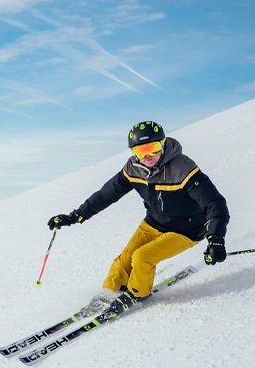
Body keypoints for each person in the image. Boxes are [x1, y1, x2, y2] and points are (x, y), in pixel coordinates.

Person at [47, 120, 229, 305]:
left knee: (142, 257)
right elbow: (106, 195)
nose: (148, 156)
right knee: (122, 263)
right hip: (153, 223)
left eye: (153, 148)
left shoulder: (183, 168)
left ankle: (137, 294)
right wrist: (76, 216)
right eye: (141, 151)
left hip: (186, 230)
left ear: (163, 144)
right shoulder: (133, 169)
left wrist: (215, 238)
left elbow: (215, 203)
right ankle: (108, 296)